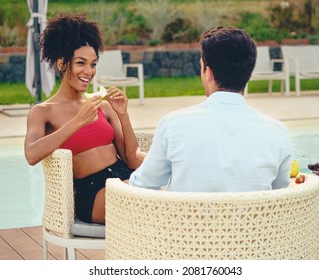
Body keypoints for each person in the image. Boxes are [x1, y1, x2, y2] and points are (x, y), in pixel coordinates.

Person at [129, 26, 292, 192]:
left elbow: (143, 184)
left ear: (208, 73)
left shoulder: (174, 124)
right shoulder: (278, 132)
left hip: (187, 218)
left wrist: (149, 162)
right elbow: (281, 193)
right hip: (251, 218)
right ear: (248, 73)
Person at [24, 13, 143, 224]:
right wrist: (78, 120)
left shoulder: (102, 106)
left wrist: (123, 115)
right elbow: (31, 155)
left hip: (125, 177)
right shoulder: (43, 112)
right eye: (81, 63)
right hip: (93, 192)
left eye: (93, 64)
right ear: (61, 64)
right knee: (148, 200)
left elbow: (132, 158)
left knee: (173, 186)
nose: (89, 71)